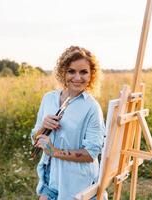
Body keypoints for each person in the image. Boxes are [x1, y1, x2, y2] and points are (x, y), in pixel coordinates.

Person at [31, 46, 106, 200]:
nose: (77, 77)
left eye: (83, 72)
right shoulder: (48, 98)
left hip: (78, 185)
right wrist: (43, 128)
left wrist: (54, 151)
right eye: (71, 71)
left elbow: (91, 153)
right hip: (51, 179)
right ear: (63, 72)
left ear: (92, 75)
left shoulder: (92, 107)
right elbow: (35, 140)